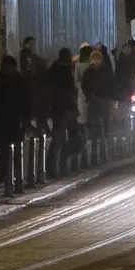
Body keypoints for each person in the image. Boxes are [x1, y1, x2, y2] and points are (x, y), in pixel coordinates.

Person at [0, 56, 31, 188]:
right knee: (1, 151)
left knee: (15, 150)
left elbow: (27, 102)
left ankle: (14, 176)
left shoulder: (20, 83)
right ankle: (3, 176)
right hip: (0, 122)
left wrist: (26, 119)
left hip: (14, 122)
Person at [45, 47, 77, 177]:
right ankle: (57, 167)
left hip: (55, 107)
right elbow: (68, 92)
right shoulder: (65, 71)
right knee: (60, 137)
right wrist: (73, 108)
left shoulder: (52, 70)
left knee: (60, 137)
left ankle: (56, 167)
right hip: (63, 108)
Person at [82, 49, 115, 162]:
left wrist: (110, 98)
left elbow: (111, 85)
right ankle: (94, 157)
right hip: (93, 102)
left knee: (104, 130)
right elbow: (84, 86)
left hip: (104, 101)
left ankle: (103, 155)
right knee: (94, 130)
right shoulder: (88, 72)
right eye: (94, 59)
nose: (96, 61)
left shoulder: (106, 70)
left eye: (98, 58)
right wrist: (89, 96)